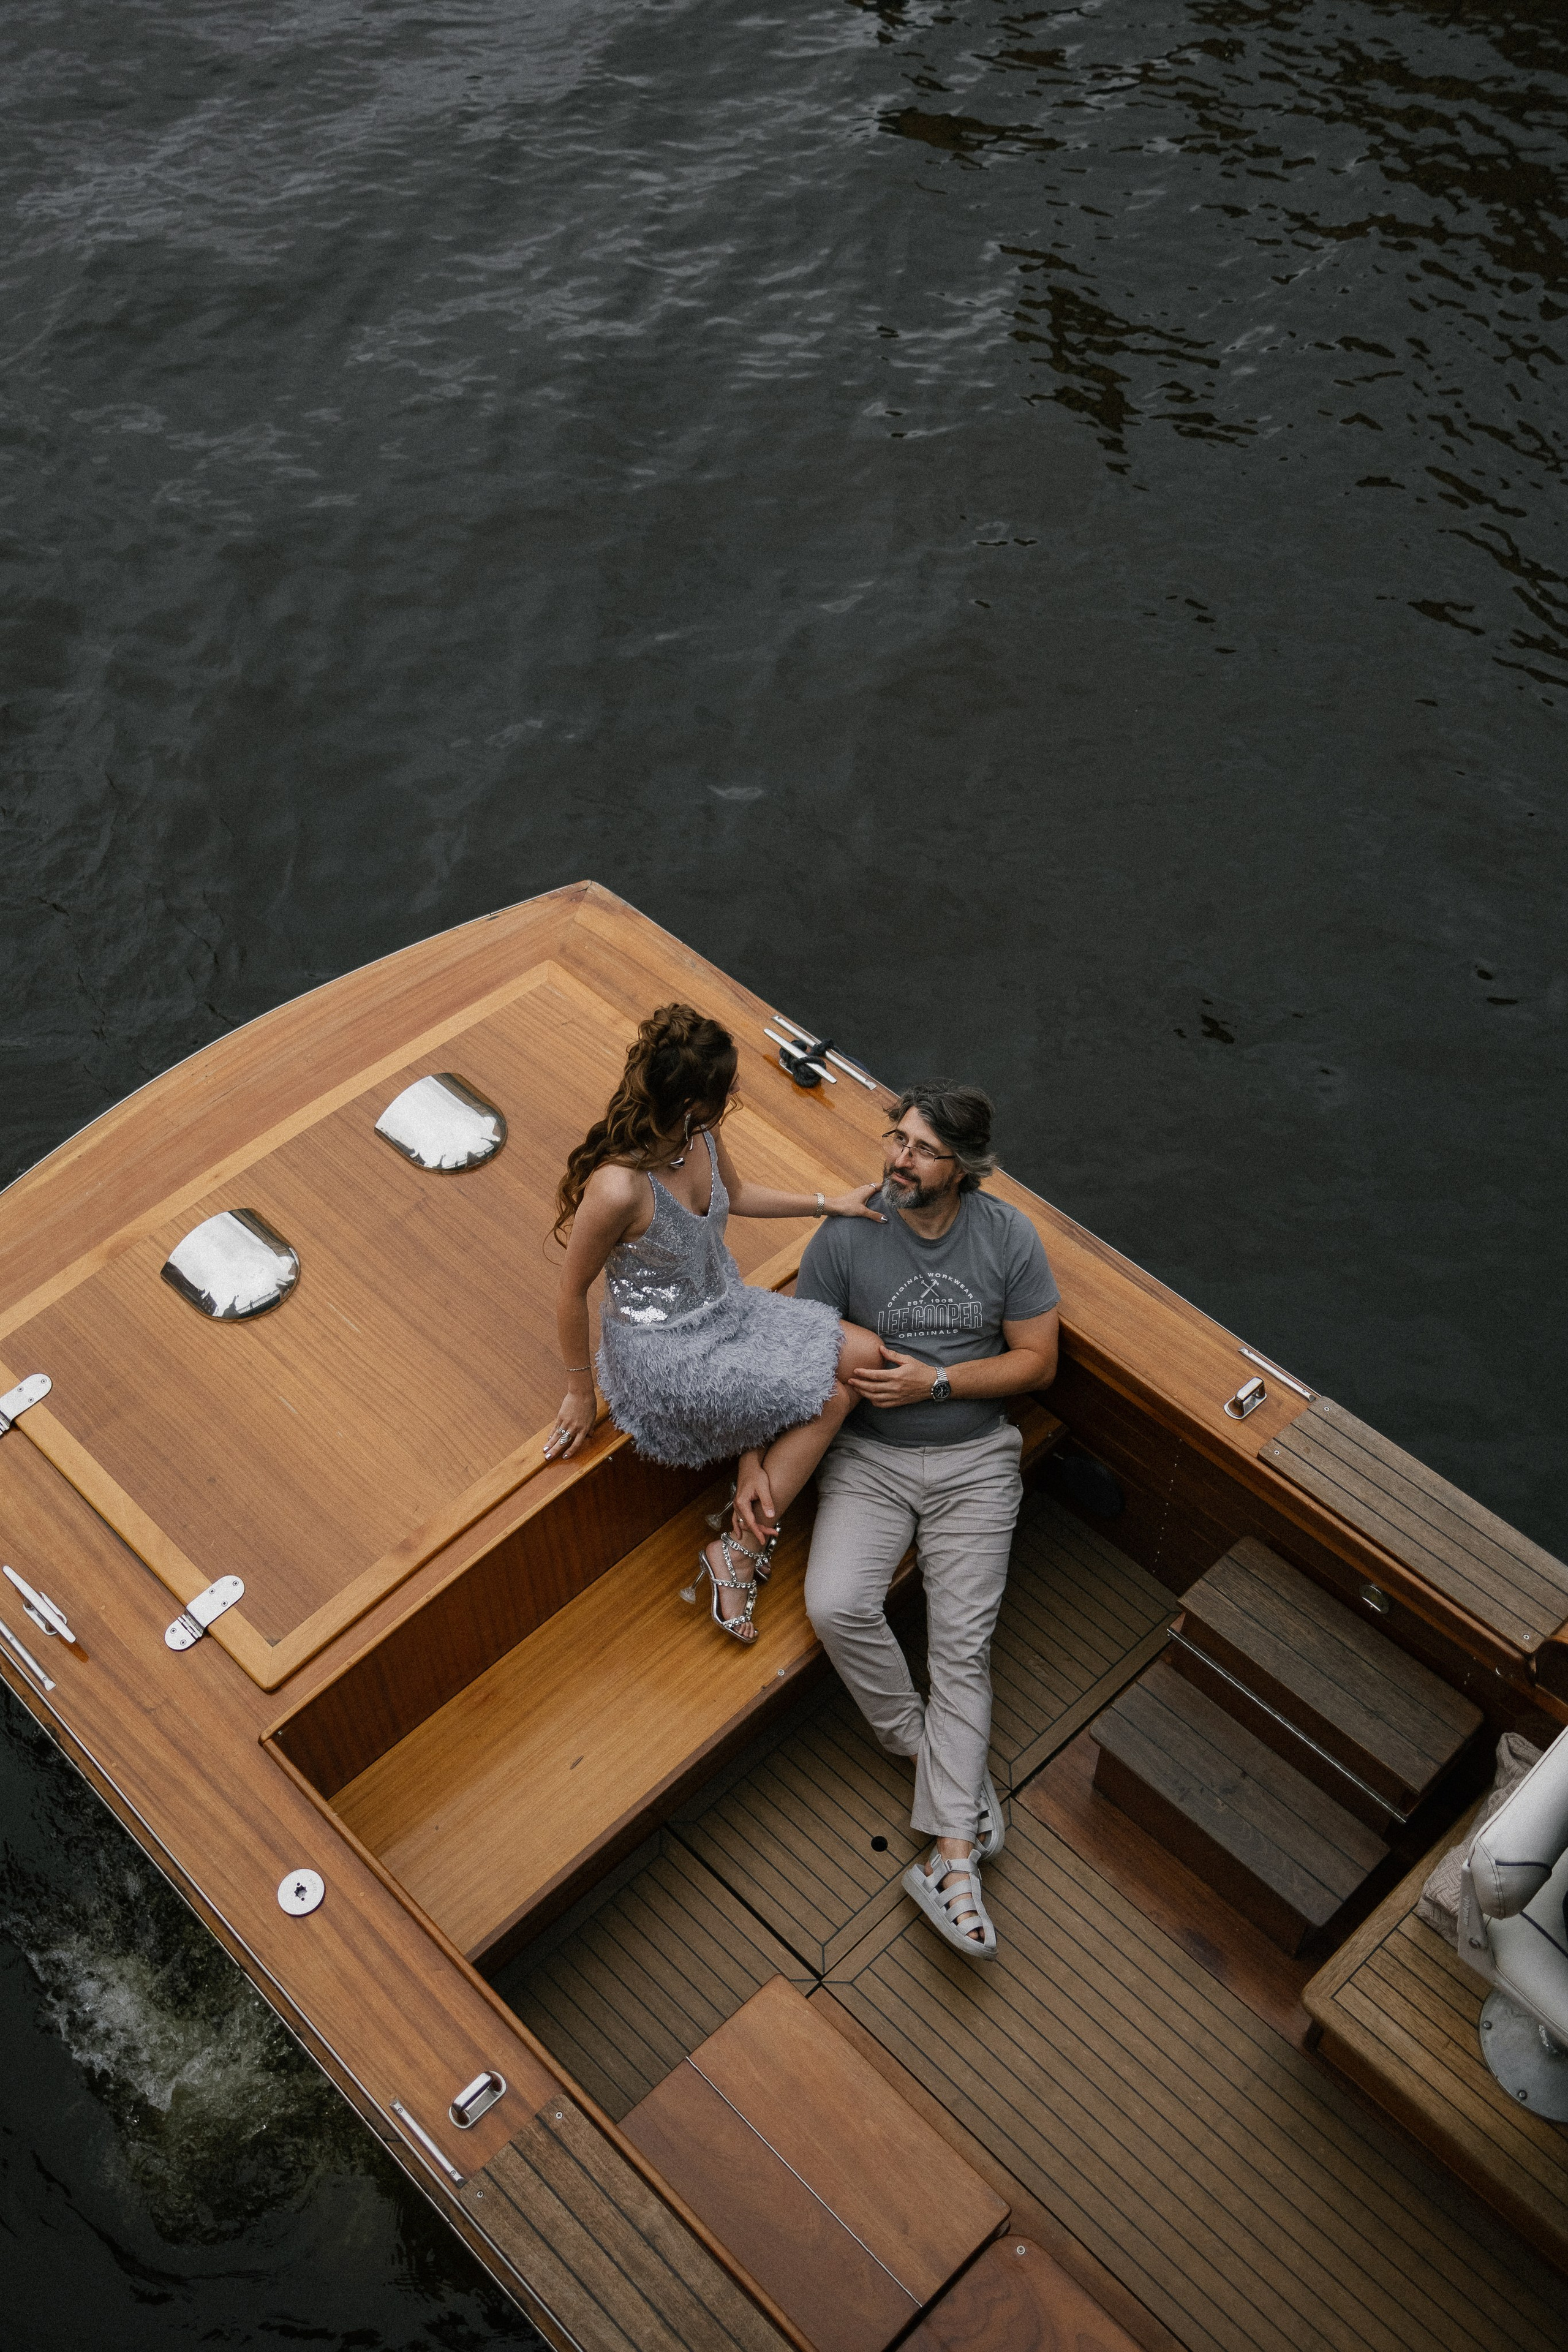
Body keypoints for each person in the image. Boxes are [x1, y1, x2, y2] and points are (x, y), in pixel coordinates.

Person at [793, 1084, 1059, 1963]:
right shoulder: (845, 1236)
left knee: (961, 1651)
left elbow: (1037, 1363)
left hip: (973, 1460)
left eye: (920, 1149)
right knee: (835, 1604)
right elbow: (799, 1357)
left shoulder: (1008, 1238)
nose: (897, 1159)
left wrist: (935, 1382)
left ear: (965, 1170)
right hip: (866, 1460)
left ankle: (951, 1866)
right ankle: (945, 1766)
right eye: (895, 1139)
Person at [547, 1003, 885, 1642]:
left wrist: (826, 1203)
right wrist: (576, 1389)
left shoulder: (701, 1135)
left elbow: (741, 1194)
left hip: (728, 1311)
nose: (738, 1090)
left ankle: (751, 1480)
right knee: (836, 1395)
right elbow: (571, 1292)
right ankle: (736, 1551)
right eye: (727, 1084)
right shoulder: (619, 1188)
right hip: (666, 1354)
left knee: (866, 1355)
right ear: (692, 1100)